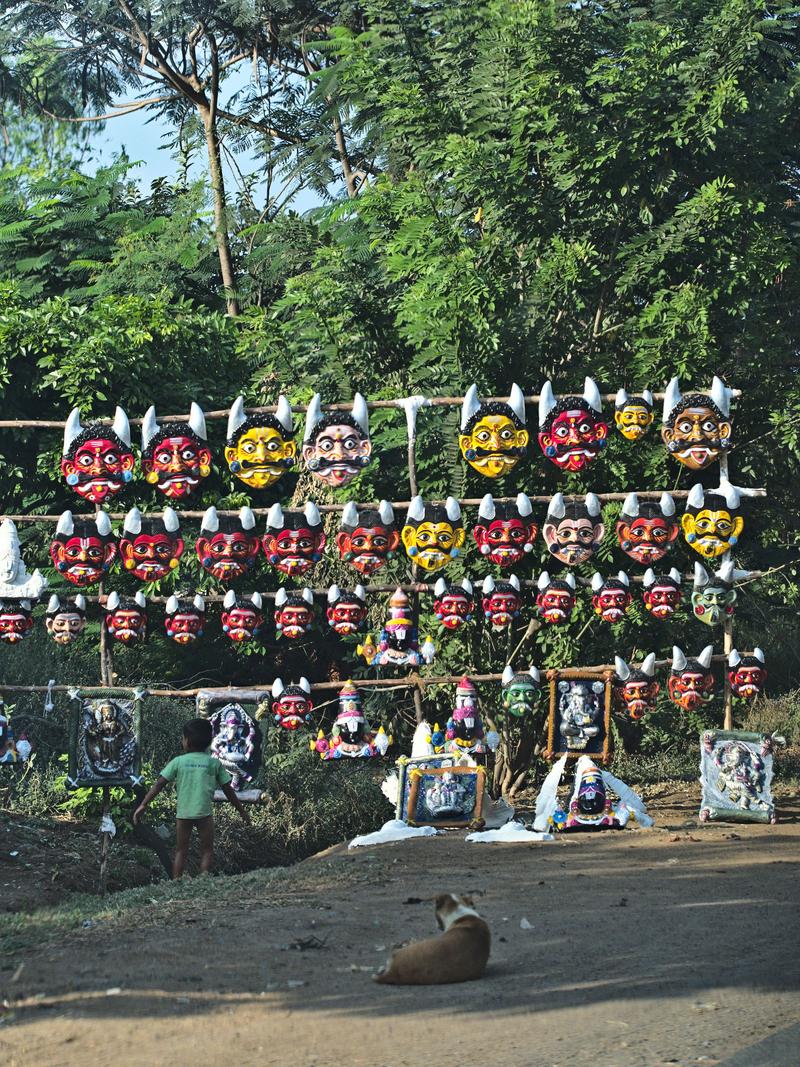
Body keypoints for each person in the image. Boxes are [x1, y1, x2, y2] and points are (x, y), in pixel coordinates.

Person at [133, 717, 250, 879]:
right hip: (204, 814)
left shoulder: (178, 762)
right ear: (209, 742)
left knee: (181, 850)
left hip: (184, 814)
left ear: (187, 741)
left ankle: (176, 881)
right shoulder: (213, 763)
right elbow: (229, 791)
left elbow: (159, 784)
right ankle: (203, 880)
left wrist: (143, 805)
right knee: (207, 850)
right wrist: (241, 811)